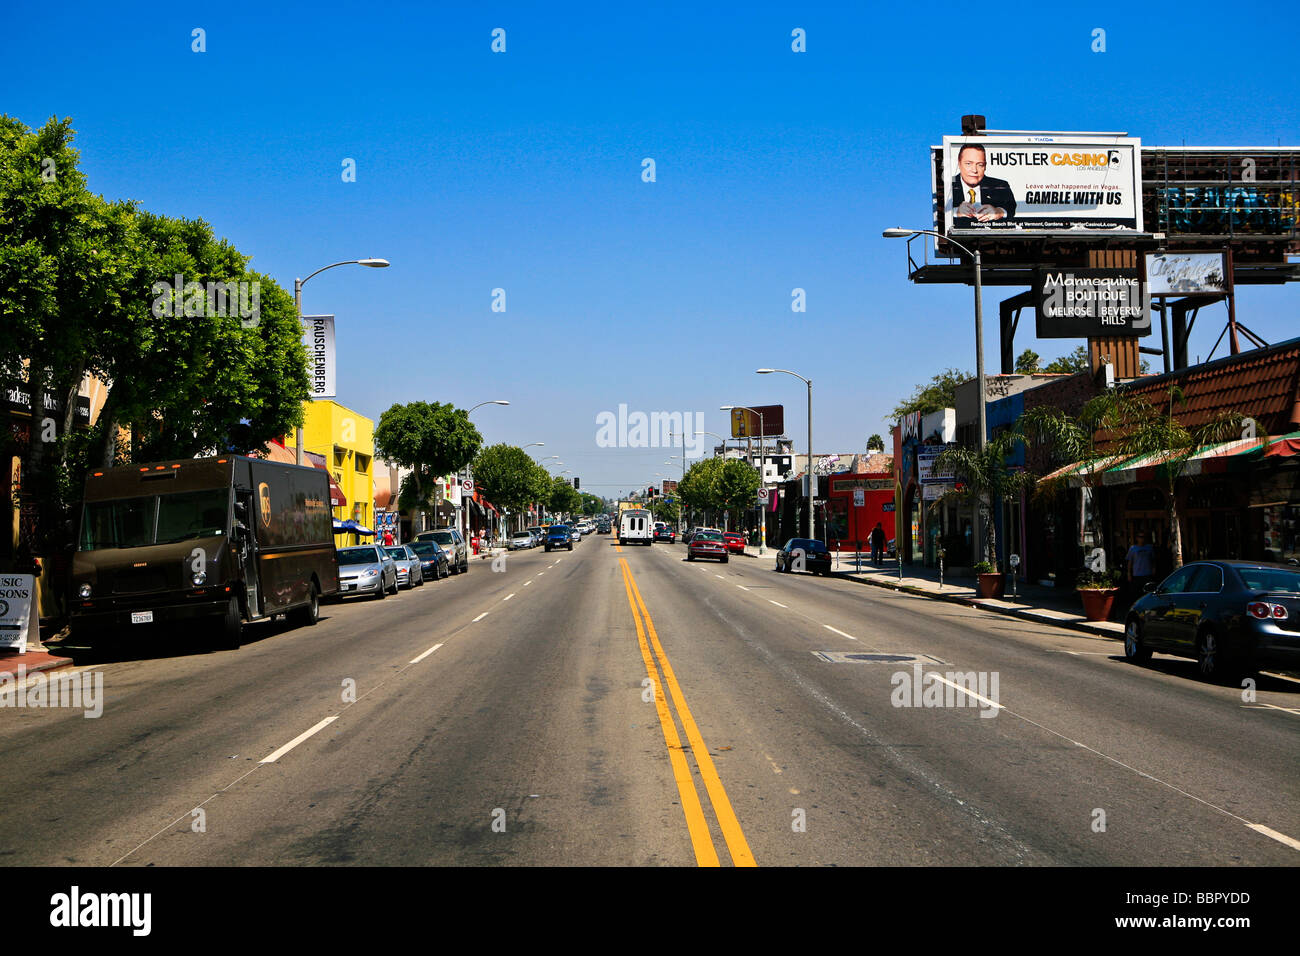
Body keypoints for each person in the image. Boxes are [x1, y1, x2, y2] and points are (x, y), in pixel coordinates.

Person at [951, 142, 1016, 225]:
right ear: (959, 164)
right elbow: (939, 211)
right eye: (968, 164)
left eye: (980, 165)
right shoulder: (947, 185)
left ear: (985, 166)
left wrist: (999, 211)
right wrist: (956, 211)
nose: (974, 170)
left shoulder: (1000, 185)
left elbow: (1010, 208)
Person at [1126, 531, 1156, 597]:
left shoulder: (1149, 547)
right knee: (1137, 593)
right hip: (1137, 574)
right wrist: (1128, 573)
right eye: (1140, 537)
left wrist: (1154, 568)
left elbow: (1153, 559)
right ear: (1137, 538)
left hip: (1147, 574)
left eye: (1143, 537)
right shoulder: (1133, 548)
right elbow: (1130, 561)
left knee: (1148, 592)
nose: (1142, 539)